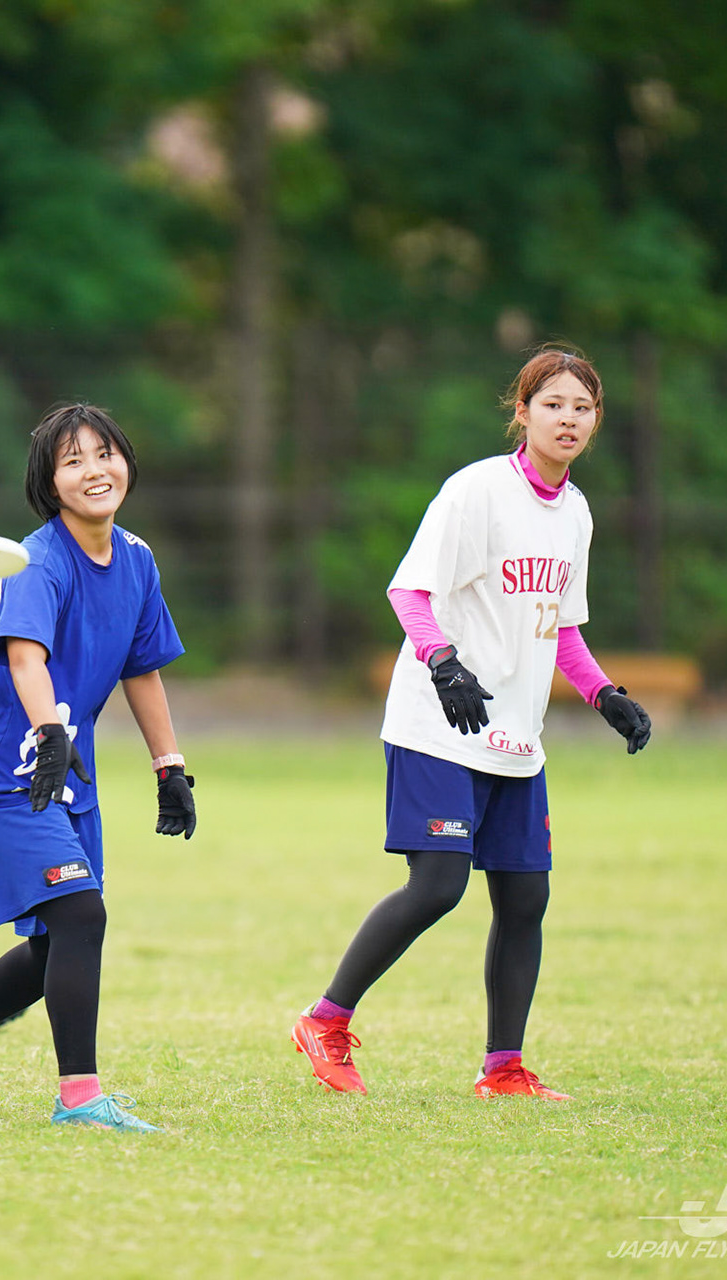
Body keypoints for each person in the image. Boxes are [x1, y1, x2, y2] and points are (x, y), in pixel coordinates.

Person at [289, 346, 651, 1101]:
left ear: (596, 421)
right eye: (552, 404)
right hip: (439, 722)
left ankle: (504, 1069)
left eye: (582, 407)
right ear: (522, 412)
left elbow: (561, 626)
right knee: (439, 885)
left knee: (525, 900)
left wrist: (604, 695)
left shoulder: (576, 512)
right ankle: (324, 1020)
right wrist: (443, 663)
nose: (568, 419)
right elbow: (409, 592)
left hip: (516, 734)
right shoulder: (477, 491)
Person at [0, 403, 196, 1133]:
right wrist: (48, 735)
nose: (94, 471)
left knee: (55, 943)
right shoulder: (35, 561)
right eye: (73, 461)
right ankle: (79, 1098)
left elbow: (142, 668)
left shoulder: (136, 558)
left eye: (105, 454)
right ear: (49, 483)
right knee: (80, 915)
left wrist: (169, 766)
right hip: (5, 774)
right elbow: (25, 658)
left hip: (68, 772)